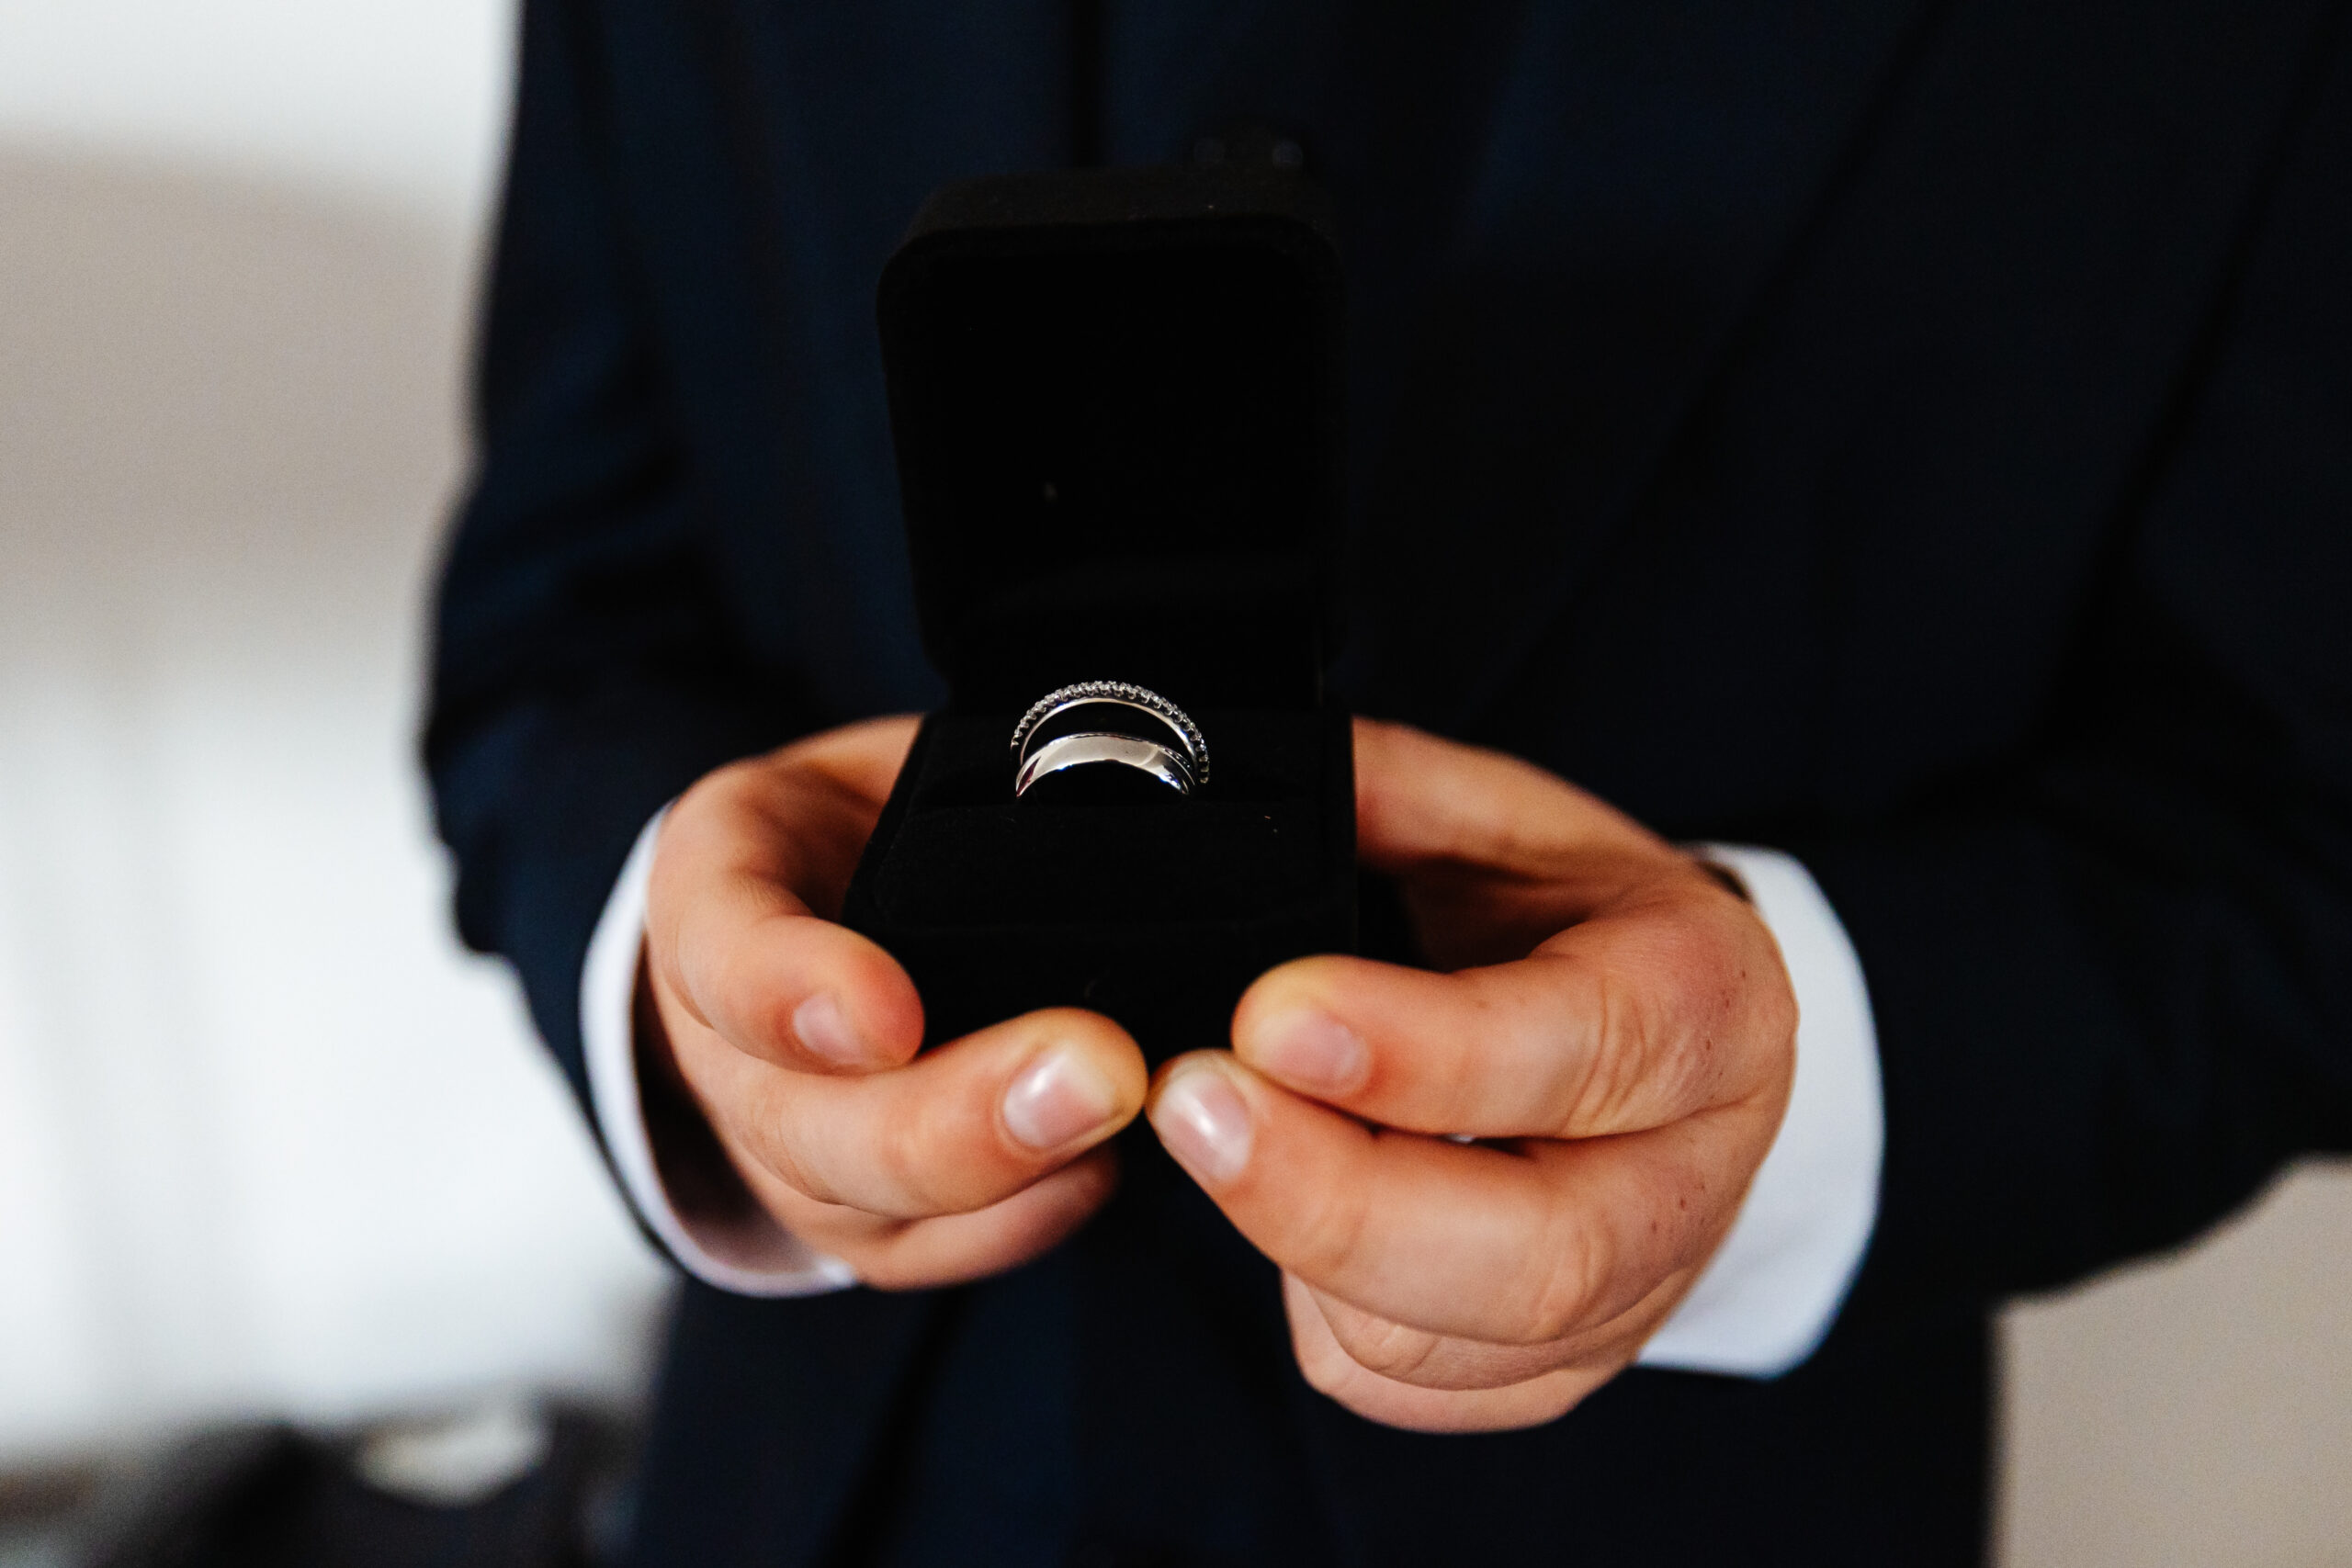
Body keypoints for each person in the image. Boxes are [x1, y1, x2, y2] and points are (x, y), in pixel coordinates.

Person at [424, 3, 2352, 1562]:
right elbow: (559, 638)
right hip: (831, 1477)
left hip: (1695, 1494)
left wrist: (1801, 1074)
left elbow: (2298, 840)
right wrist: (691, 1000)